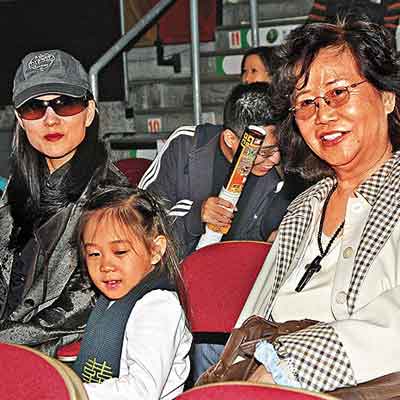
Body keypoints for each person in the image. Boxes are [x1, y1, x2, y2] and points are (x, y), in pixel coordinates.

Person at [233, 19, 400, 392]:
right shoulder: (304, 208)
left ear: (387, 96)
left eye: (338, 92)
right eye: (306, 102)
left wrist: (290, 368)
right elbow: (251, 324)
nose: (323, 115)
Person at [0, 49, 127, 355]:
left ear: (89, 112)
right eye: (34, 108)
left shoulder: (113, 198)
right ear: (20, 120)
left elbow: (82, 303)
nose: (50, 120)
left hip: (46, 357)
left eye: (65, 104)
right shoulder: (15, 192)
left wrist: (7, 341)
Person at [139, 82, 292, 259]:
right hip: (169, 268)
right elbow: (139, 223)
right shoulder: (186, 147)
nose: (276, 159)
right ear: (230, 139)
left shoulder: (275, 181)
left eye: (280, 148)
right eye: (265, 152)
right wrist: (195, 216)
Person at [72, 185, 192, 400]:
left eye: (120, 252)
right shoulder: (112, 299)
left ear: (155, 250)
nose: (105, 265)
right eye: (94, 253)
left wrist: (65, 391)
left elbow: (141, 392)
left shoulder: (159, 307)